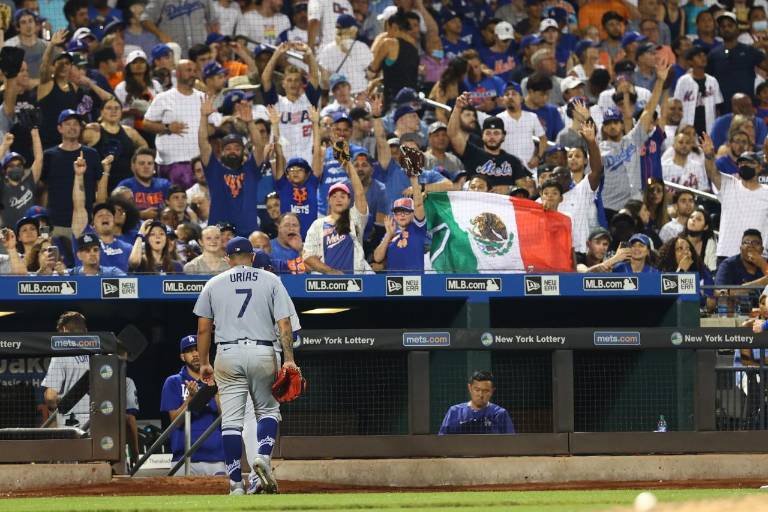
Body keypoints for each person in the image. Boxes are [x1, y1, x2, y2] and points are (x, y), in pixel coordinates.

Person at [194, 236, 298, 495]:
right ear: (252, 257)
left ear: (227, 259)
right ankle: (262, 456)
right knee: (268, 412)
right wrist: (288, 359)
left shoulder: (214, 283)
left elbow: (204, 328)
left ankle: (235, 485)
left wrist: (204, 362)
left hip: (227, 352)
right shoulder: (271, 279)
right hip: (263, 350)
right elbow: (285, 325)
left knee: (231, 422)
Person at [160, 335, 226, 476]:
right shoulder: (173, 382)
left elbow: (226, 416)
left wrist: (213, 388)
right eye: (189, 351)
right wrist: (191, 399)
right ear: (183, 356)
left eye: (198, 349)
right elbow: (175, 422)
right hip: (183, 459)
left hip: (216, 458)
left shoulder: (219, 379)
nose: (195, 354)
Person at [199, 97, 265, 236]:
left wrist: (250, 123)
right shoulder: (214, 170)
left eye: (236, 148)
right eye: (228, 148)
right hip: (219, 233)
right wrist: (204, 117)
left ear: (243, 151)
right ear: (221, 152)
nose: (232, 151)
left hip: (248, 233)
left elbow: (259, 146)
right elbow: (203, 144)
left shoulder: (251, 169)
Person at [303, 141, 371, 274]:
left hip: (355, 282)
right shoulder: (318, 224)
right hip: (325, 285)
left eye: (343, 196)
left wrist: (348, 162)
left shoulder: (355, 219)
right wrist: (330, 272)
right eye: (334, 196)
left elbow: (360, 194)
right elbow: (308, 256)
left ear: (349, 200)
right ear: (328, 200)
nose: (338, 199)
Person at [447, 92, 531, 195]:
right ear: (482, 135)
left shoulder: (513, 161)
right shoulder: (472, 153)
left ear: (503, 136)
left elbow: (525, 191)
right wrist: (457, 108)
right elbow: (452, 134)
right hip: (475, 203)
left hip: (503, 207)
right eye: (488, 133)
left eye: (496, 133)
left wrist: (509, 188)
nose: (492, 137)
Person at [41, 110, 107, 236]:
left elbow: (99, 187)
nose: (72, 127)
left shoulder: (92, 154)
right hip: (55, 222)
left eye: (76, 124)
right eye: (68, 123)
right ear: (59, 128)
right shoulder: (49, 155)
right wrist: (45, 223)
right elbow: (44, 189)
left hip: (84, 222)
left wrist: (96, 215)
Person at [142, 60, 205, 189]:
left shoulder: (203, 98)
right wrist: (167, 128)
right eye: (188, 70)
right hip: (171, 163)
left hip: (198, 163)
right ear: (177, 74)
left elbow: (214, 126)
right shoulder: (163, 98)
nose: (192, 74)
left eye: (194, 71)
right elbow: (146, 123)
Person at [703, 144, 768, 260]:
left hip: (757, 257)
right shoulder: (729, 184)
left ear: (759, 167)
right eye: (741, 163)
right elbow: (712, 172)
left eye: (749, 163)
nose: (744, 165)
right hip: (727, 253)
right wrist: (709, 155)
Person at [83, 97, 148, 191]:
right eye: (109, 108)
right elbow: (75, 140)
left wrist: (136, 163)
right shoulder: (93, 131)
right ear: (101, 112)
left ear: (121, 112)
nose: (113, 111)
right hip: (101, 183)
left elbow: (144, 147)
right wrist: (84, 125)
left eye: (117, 108)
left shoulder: (129, 131)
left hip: (127, 183)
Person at [373, 173, 426, 273]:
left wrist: (413, 179)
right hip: (393, 285)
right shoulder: (391, 235)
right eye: (398, 212)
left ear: (413, 213)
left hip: (415, 283)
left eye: (405, 211)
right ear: (394, 216)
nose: (401, 215)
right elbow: (377, 258)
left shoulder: (418, 229)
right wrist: (388, 235)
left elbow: (418, 205)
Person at [438, 370, 515, 435]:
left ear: (492, 391)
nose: (481, 395)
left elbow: (511, 443)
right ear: (470, 388)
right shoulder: (454, 411)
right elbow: (442, 440)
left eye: (485, 391)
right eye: (477, 390)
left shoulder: (500, 413)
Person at [498, 82, 546, 171]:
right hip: (506, 169)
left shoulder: (532, 117)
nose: (510, 97)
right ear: (503, 100)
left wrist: (538, 157)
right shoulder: (498, 119)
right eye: (507, 94)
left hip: (529, 168)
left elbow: (543, 139)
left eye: (514, 94)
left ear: (521, 98)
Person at [117, 147, 171, 219]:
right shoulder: (125, 186)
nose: (146, 167)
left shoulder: (165, 184)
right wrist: (140, 214)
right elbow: (117, 214)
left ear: (154, 167)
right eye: (142, 163)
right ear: (133, 166)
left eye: (150, 163)